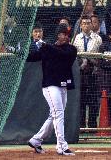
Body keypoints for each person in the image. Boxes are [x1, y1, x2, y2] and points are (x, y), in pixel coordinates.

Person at [27, 24, 77, 156]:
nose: (66, 36)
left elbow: (60, 54)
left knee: (53, 115)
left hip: (63, 86)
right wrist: (14, 49)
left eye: (67, 34)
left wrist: (45, 45)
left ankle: (36, 140)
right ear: (58, 35)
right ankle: (61, 146)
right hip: (50, 86)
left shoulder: (71, 49)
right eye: (63, 34)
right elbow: (30, 57)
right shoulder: (47, 48)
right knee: (58, 113)